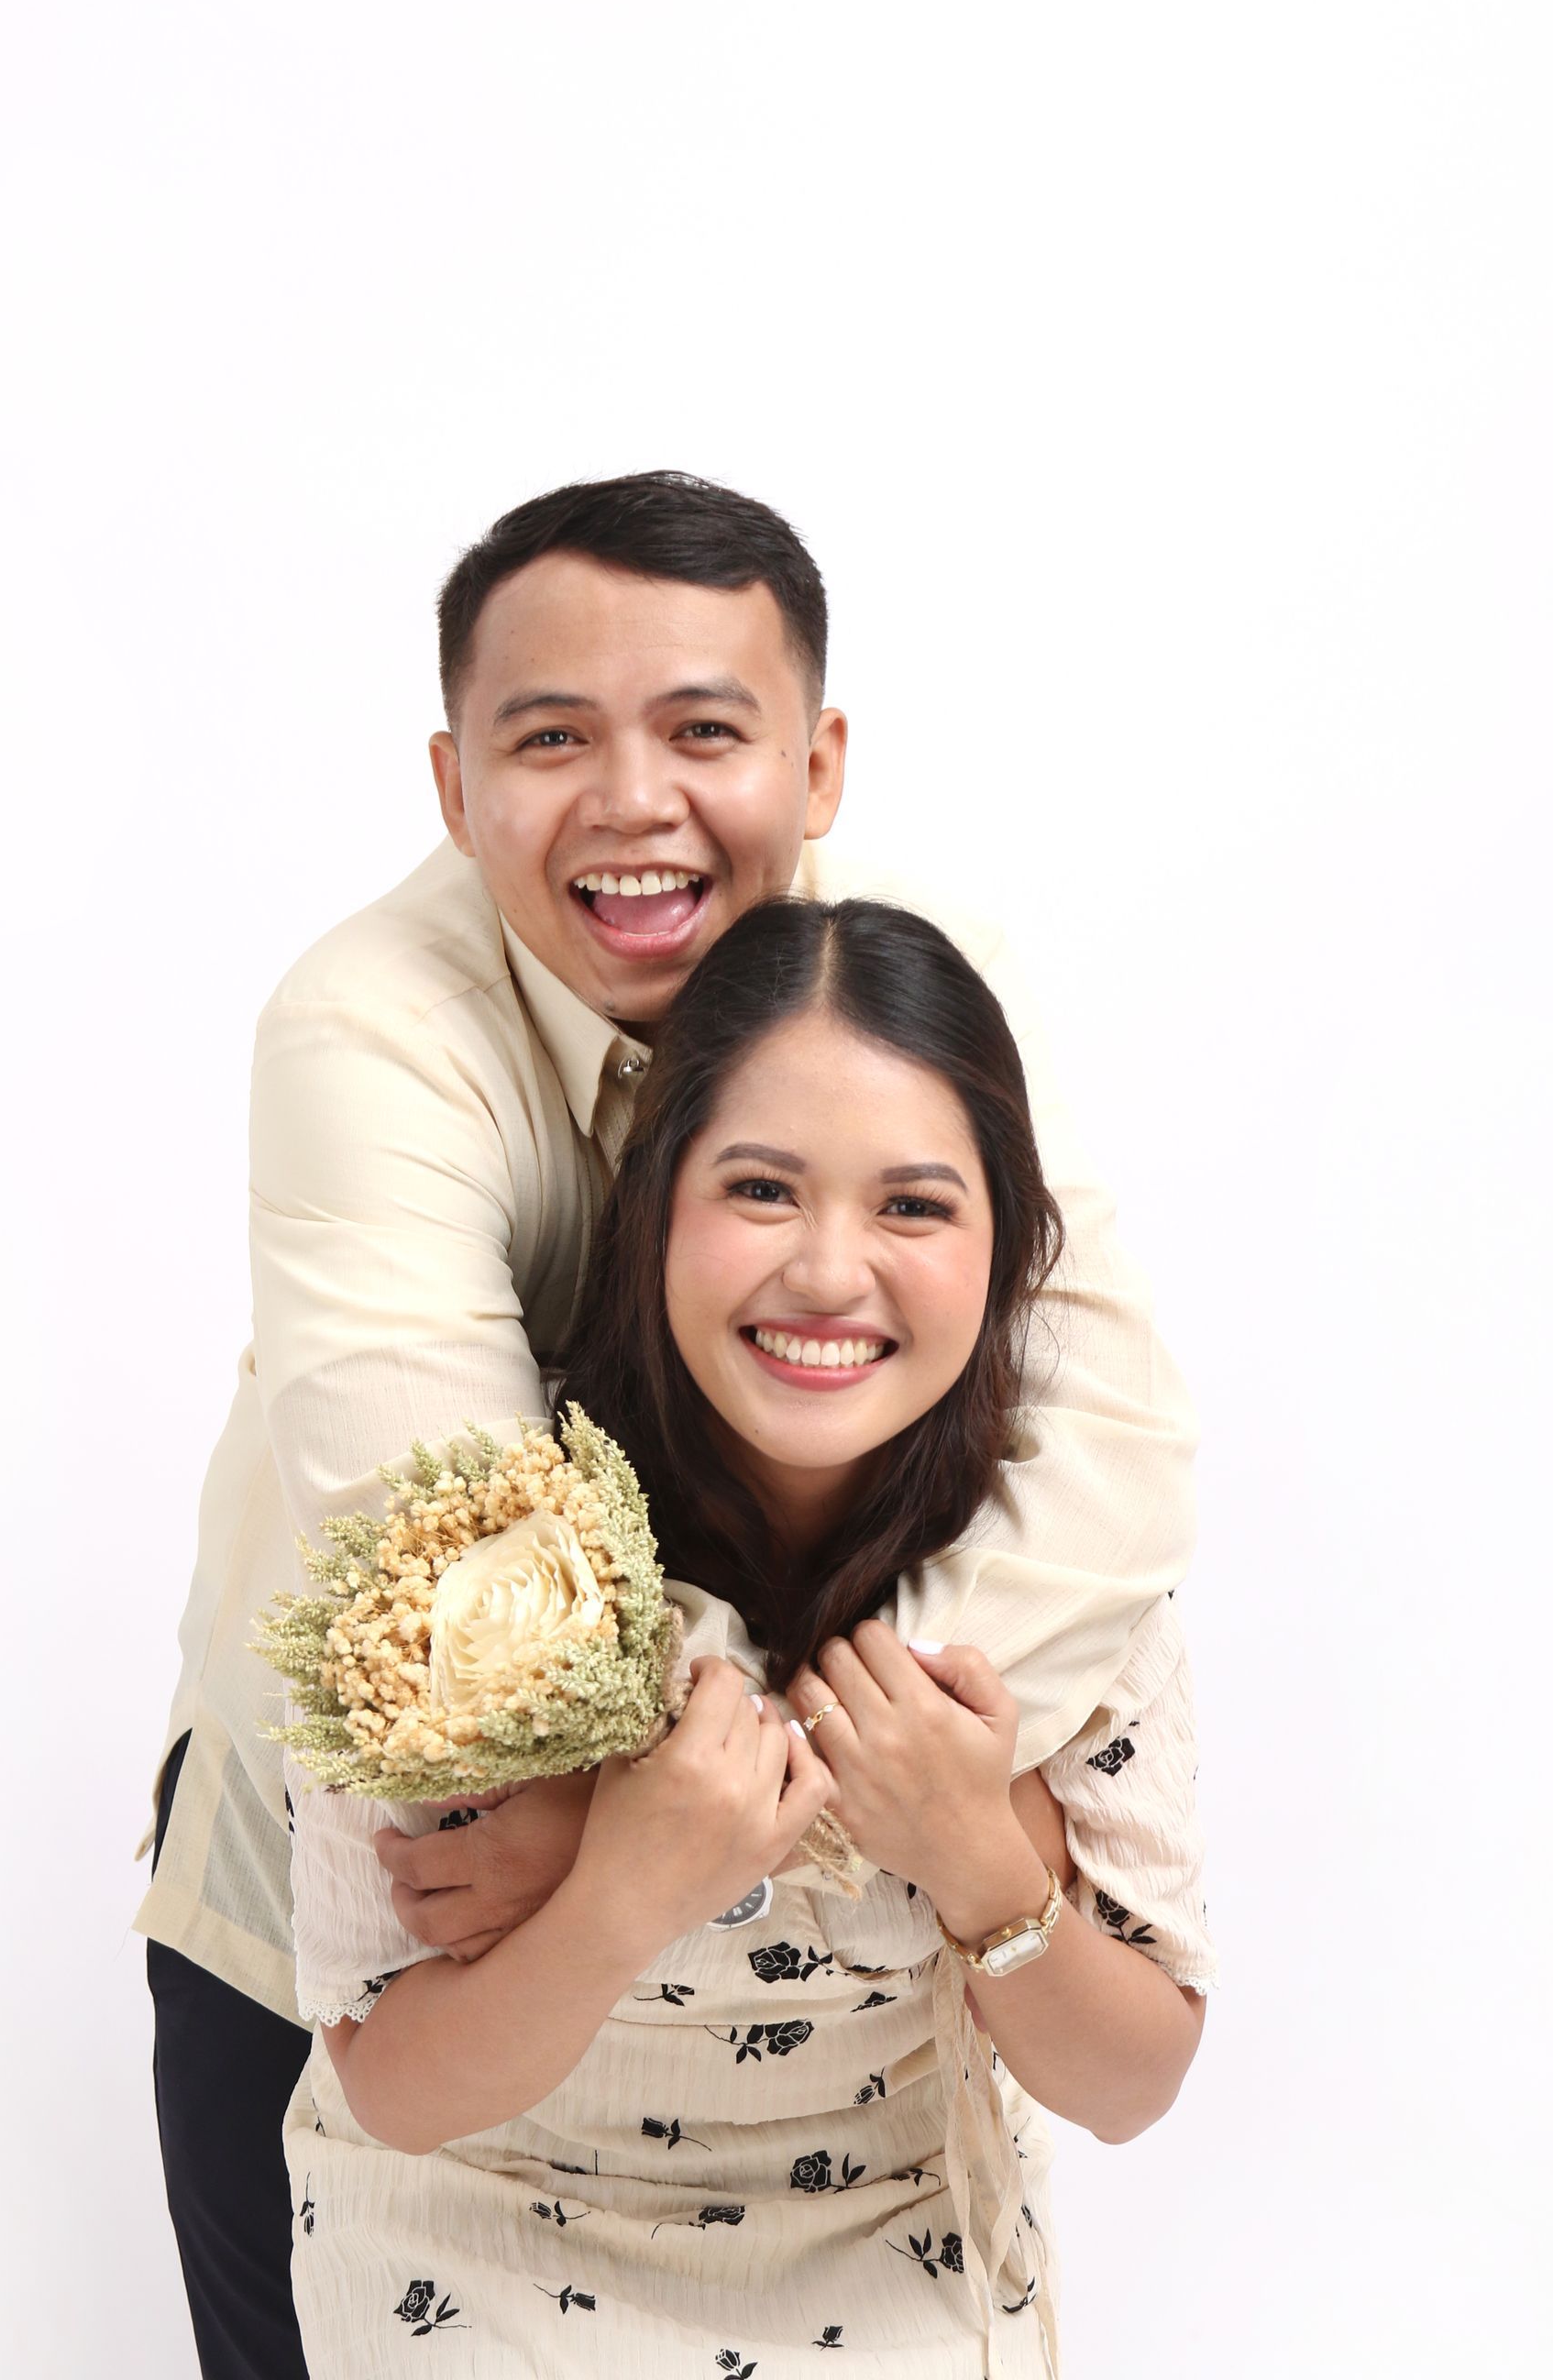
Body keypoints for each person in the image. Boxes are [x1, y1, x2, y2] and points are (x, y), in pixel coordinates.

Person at [135, 473, 1197, 2379]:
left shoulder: (918, 993)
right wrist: (874, 1815)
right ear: (456, 784)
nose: (636, 803)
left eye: (706, 730)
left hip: (827, 2096)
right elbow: (471, 1596)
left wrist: (779, 1812)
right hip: (389, 1871)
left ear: (820, 764)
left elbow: (1106, 1444)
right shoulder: (368, 1032)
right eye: (553, 739)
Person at [281, 898, 1214, 2377]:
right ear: (654, 1202)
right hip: (482, 2243)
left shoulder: (1059, 1565)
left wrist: (975, 1851)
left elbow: (1132, 2086)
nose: (831, 1273)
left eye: (914, 1207)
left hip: (896, 2249)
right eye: (763, 1189)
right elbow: (392, 2085)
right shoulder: (481, 1537)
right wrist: (621, 1885)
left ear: (1010, 1247)